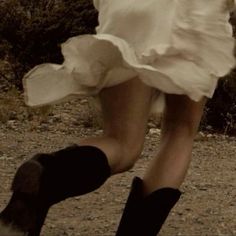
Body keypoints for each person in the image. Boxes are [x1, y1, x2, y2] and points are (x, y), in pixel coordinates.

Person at [0, 1, 235, 235]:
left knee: (120, 142)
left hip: (127, 9)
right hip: (195, 14)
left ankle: (48, 175)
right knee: (179, 131)